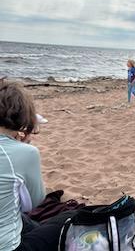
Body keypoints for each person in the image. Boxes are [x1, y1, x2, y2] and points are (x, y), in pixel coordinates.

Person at [0, 82, 74, 250]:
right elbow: (35, 202)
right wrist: (24, 145)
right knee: (68, 219)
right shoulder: (26, 153)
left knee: (27, 222)